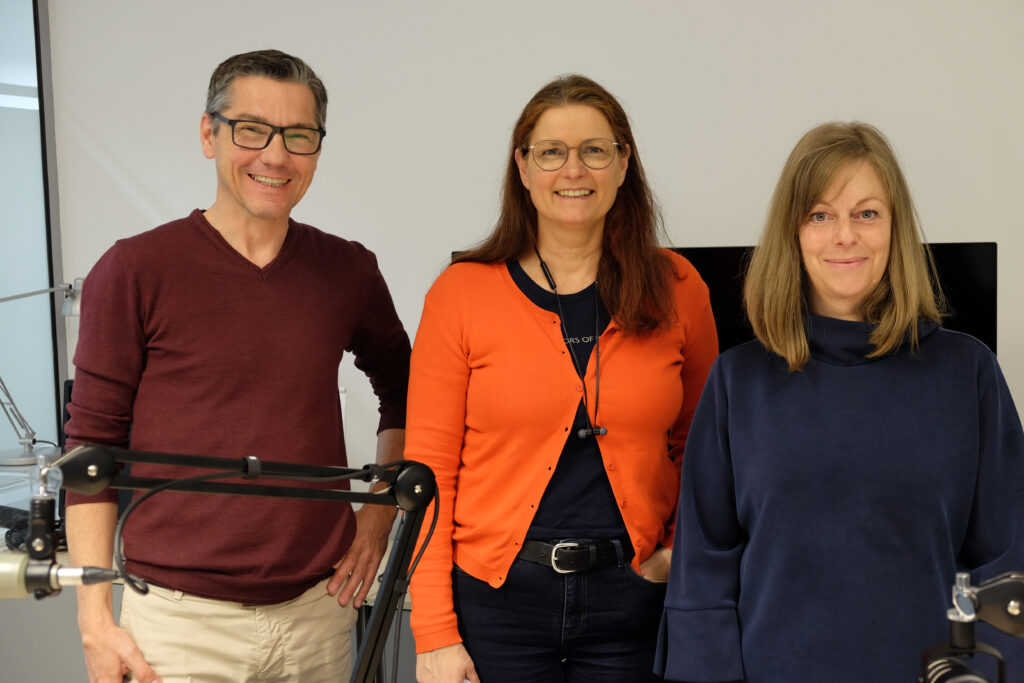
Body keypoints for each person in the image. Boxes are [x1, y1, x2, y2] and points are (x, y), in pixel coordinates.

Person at [64, 49, 411, 683]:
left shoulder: (349, 271)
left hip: (319, 613)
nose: (275, 155)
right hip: (177, 624)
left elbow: (409, 391)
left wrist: (381, 510)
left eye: (298, 136)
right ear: (209, 134)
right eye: (251, 130)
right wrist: (94, 615)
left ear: (317, 148)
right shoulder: (134, 270)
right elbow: (91, 447)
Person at [655, 122, 1024, 682]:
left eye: (867, 213)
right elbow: (704, 563)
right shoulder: (739, 380)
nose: (844, 235)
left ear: (895, 229)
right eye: (820, 215)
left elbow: (1005, 560)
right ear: (794, 234)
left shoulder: (967, 373)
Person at [406, 74, 719, 683]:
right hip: (494, 606)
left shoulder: (679, 288)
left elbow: (706, 449)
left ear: (623, 163)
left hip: (635, 605)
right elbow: (429, 473)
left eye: (595, 150)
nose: (573, 169)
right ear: (522, 168)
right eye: (551, 152)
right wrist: (435, 631)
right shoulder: (461, 294)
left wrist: (676, 556)